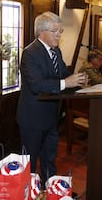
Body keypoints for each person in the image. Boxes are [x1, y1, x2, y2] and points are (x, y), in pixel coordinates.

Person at [16, 11, 88, 186]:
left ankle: (51, 192)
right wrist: (66, 82)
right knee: (30, 165)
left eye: (60, 31)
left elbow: (63, 75)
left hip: (50, 117)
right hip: (32, 119)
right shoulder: (30, 53)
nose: (59, 35)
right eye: (55, 31)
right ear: (42, 32)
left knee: (49, 161)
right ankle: (29, 194)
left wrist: (78, 81)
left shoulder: (56, 51)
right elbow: (36, 85)